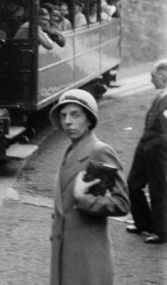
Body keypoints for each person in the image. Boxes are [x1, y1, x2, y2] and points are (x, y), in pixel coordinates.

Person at [49, 89, 130, 285]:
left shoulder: (99, 151)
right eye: (63, 116)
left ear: (89, 120)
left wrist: (84, 200)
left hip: (88, 259)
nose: (68, 121)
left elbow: (122, 203)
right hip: (64, 255)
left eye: (75, 115)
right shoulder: (70, 151)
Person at [126, 59, 167, 244]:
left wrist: (154, 145)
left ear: (164, 76)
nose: (151, 80)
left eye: (153, 76)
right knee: (133, 184)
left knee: (158, 189)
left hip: (156, 148)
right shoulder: (161, 95)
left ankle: (162, 230)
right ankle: (143, 222)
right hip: (146, 146)